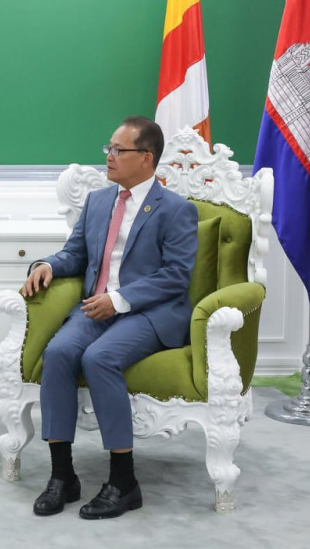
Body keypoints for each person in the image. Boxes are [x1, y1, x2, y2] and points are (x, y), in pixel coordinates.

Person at [22, 116, 197, 520]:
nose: (109, 156)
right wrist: (48, 264)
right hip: (95, 308)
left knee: (99, 358)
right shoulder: (98, 201)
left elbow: (176, 275)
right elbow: (75, 254)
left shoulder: (176, 210)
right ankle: (62, 476)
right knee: (59, 352)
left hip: (149, 313)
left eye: (119, 150)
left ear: (146, 158)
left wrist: (119, 300)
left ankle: (123, 482)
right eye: (109, 148)